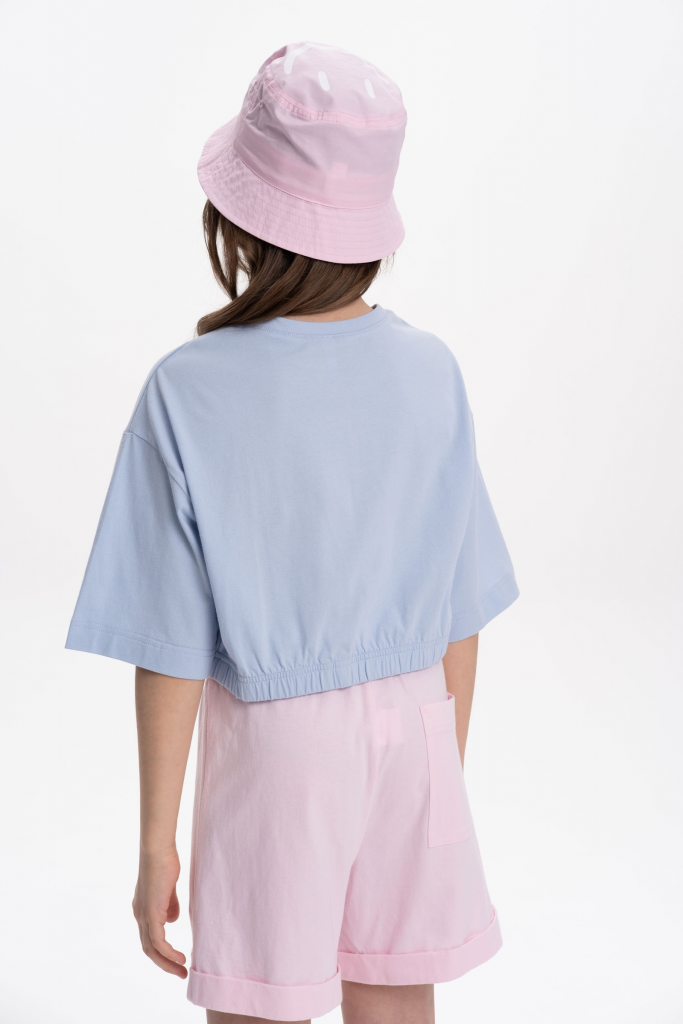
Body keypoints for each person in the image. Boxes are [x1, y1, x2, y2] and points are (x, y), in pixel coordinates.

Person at [65, 41, 519, 1024]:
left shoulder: (188, 391)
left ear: (238, 219)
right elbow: (461, 610)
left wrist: (154, 843)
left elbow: (169, 644)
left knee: (260, 1007)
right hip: (418, 731)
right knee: (395, 995)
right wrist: (438, 778)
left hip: (280, 753)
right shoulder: (430, 371)